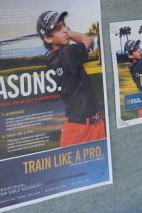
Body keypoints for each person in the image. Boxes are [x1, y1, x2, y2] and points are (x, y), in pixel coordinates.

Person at [38, 10, 106, 147]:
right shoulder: (68, 53)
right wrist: (69, 32)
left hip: (93, 123)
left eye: (64, 26)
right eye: (58, 28)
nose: (64, 30)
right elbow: (88, 40)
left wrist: (59, 31)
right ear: (48, 38)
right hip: (79, 131)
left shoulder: (50, 57)